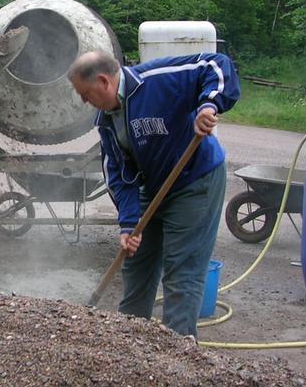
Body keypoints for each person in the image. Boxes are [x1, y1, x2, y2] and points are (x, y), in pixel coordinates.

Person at [68, 50, 240, 337]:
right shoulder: (106, 122)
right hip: (154, 184)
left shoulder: (157, 80)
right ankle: (130, 342)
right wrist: (129, 224)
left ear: (103, 81)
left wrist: (208, 106)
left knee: (181, 270)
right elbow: (121, 178)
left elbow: (216, 65)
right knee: (136, 261)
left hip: (194, 181)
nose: (85, 101)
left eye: (85, 94)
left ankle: (178, 353)